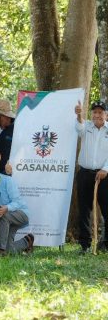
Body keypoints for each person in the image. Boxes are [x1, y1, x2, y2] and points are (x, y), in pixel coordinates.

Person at [74, 99, 108, 252]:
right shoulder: (86, 126)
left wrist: (106, 169)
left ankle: (105, 244)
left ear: (106, 115)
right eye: (95, 112)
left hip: (104, 176)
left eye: (100, 112)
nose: (97, 115)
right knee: (84, 210)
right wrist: (79, 115)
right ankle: (85, 245)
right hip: (85, 174)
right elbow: (79, 126)